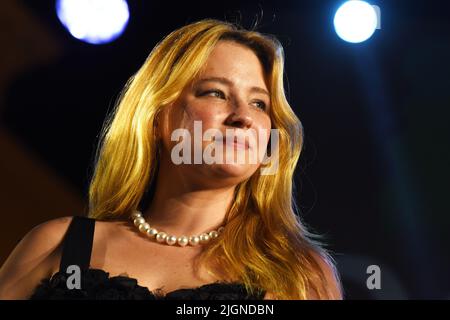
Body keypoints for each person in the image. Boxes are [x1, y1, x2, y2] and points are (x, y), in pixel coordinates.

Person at [0, 19, 343, 300]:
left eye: (259, 104)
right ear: (156, 118)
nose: (243, 116)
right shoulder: (56, 243)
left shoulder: (297, 274)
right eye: (216, 93)